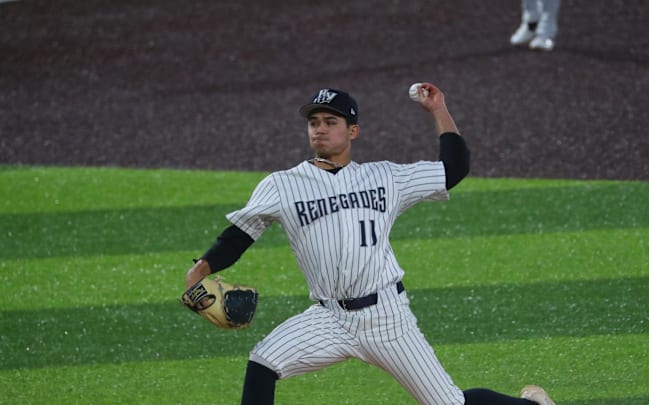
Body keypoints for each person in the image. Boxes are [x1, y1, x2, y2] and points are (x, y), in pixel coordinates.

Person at [184, 83, 557, 405]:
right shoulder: (281, 185)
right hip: (329, 318)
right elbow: (241, 233)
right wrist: (202, 268)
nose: (320, 130)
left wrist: (439, 109)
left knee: (448, 402)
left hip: (387, 318)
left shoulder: (385, 178)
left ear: (353, 131)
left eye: (331, 122)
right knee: (263, 362)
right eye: (314, 122)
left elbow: (453, 169)